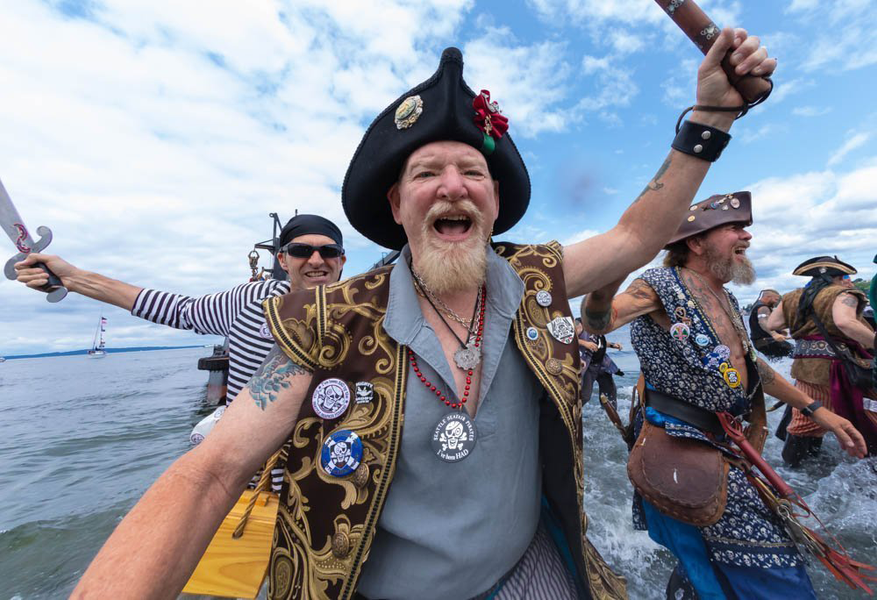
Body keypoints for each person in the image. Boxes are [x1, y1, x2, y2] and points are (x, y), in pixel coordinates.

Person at [72, 30, 778, 599]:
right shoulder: (327, 318)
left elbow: (634, 236)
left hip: (531, 573)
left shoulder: (532, 279)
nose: (452, 185)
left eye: (472, 172)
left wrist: (710, 116)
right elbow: (212, 473)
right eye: (425, 173)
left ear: (493, 203)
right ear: (396, 206)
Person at [581, 193, 867, 599]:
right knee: (772, 570)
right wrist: (610, 275)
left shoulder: (727, 297)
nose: (746, 235)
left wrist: (818, 410)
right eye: (734, 228)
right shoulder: (659, 284)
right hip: (682, 443)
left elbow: (751, 366)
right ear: (696, 243)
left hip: (726, 441)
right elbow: (602, 320)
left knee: (736, 562)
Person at [15, 213, 346, 489]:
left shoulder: (361, 312)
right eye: (302, 249)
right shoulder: (249, 301)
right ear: (283, 260)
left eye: (328, 251)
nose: (316, 260)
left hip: (330, 481)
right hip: (251, 481)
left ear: (342, 261)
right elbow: (177, 309)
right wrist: (73, 278)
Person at [764, 256, 876, 465]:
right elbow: (845, 322)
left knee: (806, 420)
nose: (849, 282)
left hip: (805, 370)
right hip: (842, 370)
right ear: (833, 278)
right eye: (845, 277)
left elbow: (773, 323)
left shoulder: (791, 297)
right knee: (868, 413)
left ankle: (794, 472)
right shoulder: (844, 294)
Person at [576, 312, 624, 409]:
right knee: (585, 395)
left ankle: (610, 415)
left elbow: (598, 343)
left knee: (610, 391)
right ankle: (571, 414)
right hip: (588, 366)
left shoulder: (597, 327)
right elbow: (567, 339)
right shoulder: (578, 323)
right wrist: (584, 343)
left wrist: (612, 345)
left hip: (602, 364)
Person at [748, 289, 792, 360]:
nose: (776, 302)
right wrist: (774, 334)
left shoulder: (758, 306)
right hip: (767, 341)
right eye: (776, 299)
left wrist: (781, 331)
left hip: (761, 343)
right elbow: (763, 322)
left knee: (778, 361)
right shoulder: (763, 308)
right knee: (797, 353)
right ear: (768, 297)